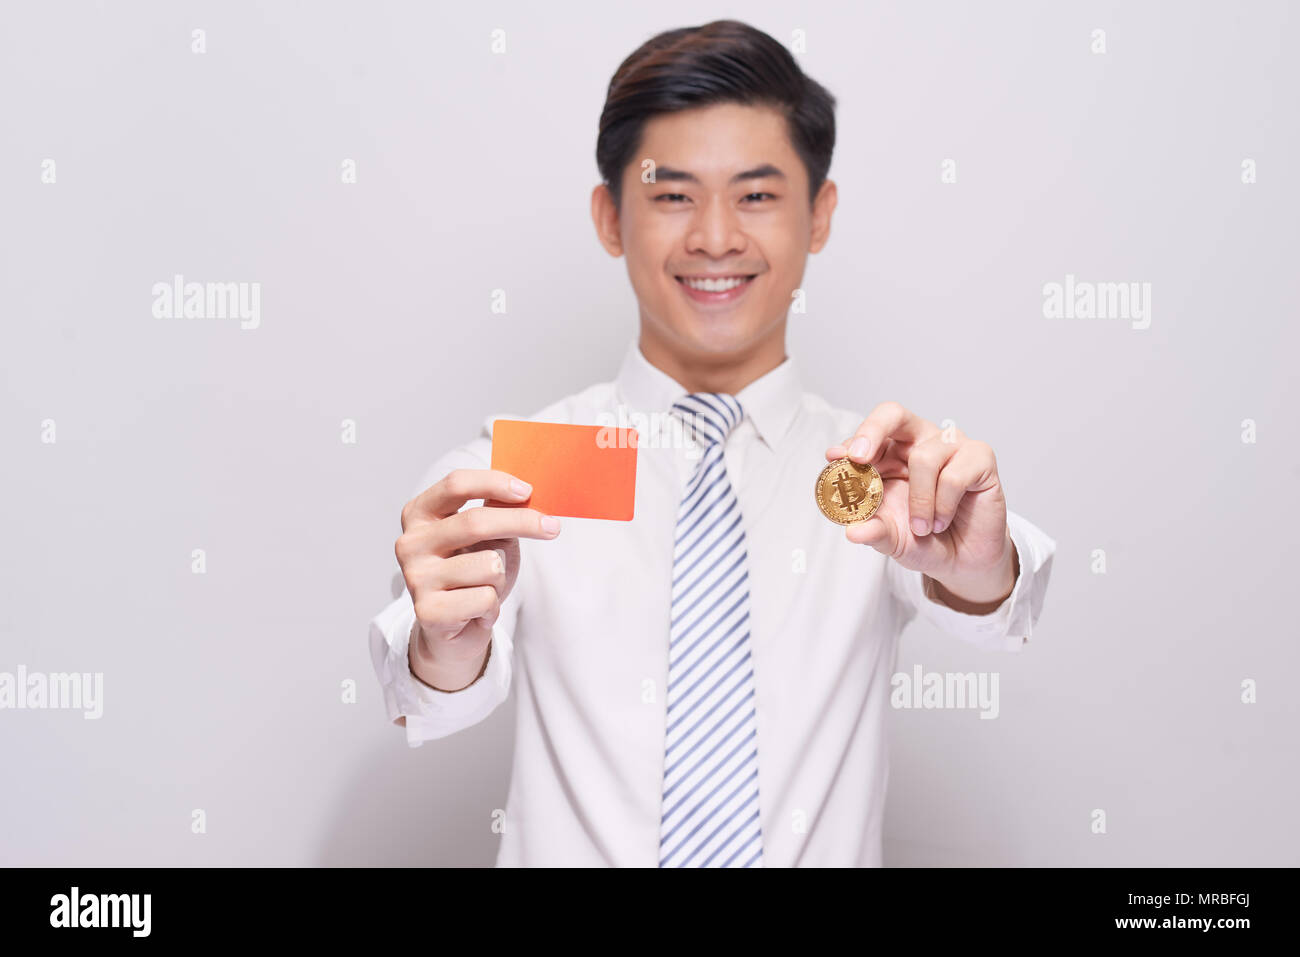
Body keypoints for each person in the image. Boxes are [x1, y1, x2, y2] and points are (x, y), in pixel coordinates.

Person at [369, 18, 1056, 867]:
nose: (716, 237)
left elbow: (1002, 609)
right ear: (610, 217)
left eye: (758, 194)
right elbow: (423, 701)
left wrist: (985, 568)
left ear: (820, 215)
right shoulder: (515, 471)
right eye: (672, 194)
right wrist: (445, 645)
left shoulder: (881, 473)